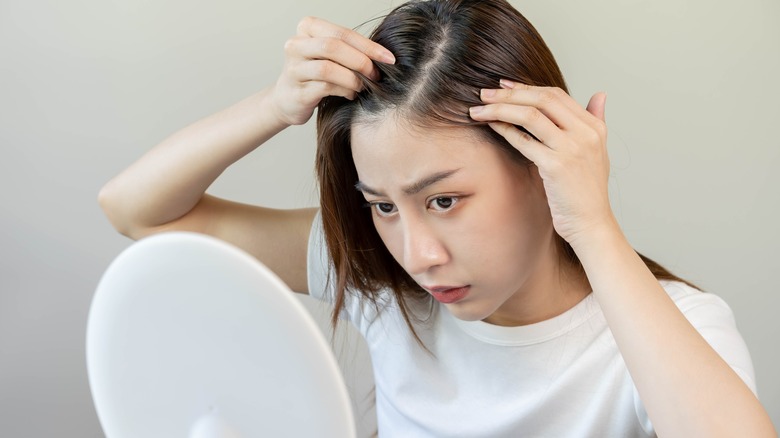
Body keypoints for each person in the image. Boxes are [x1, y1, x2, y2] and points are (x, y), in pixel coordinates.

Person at [99, 0, 776, 436]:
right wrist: (275, 106)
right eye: (384, 206)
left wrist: (592, 224)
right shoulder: (377, 282)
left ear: (541, 164)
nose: (417, 253)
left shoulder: (672, 328)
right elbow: (135, 212)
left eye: (444, 200)